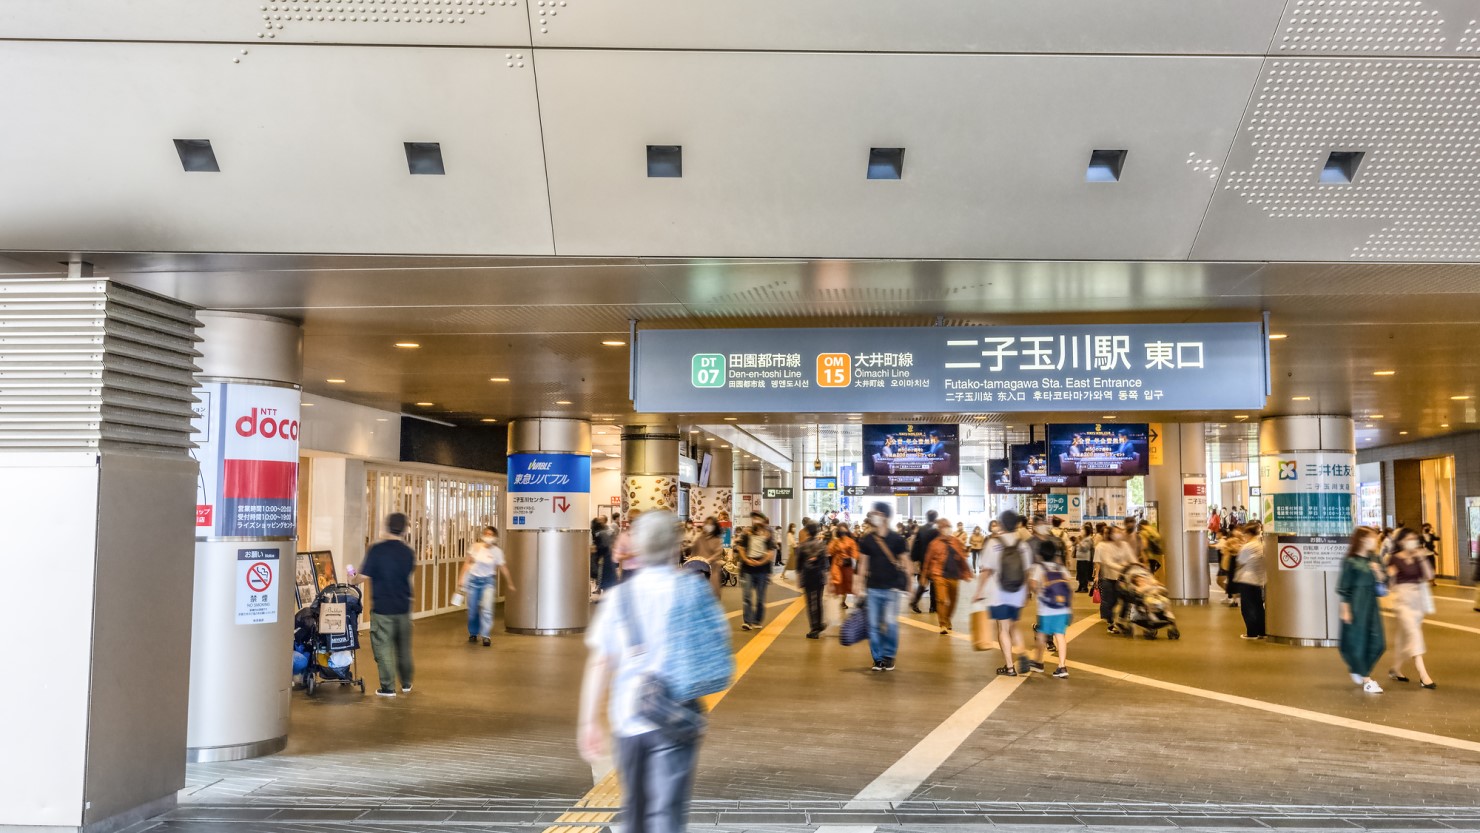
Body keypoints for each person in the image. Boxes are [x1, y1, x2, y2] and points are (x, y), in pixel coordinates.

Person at [578, 510, 731, 833]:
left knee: (636, 806)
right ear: (676, 547)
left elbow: (601, 662)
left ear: (639, 548)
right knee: (667, 814)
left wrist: (589, 721)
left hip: (629, 719)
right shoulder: (693, 589)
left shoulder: (620, 598)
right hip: (679, 714)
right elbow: (719, 639)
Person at [350, 512, 416, 696]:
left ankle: (388, 687)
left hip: (383, 608)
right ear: (404, 530)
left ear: (387, 527)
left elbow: (362, 577)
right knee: (403, 648)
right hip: (403, 607)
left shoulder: (377, 550)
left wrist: (352, 579)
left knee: (384, 647)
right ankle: (407, 684)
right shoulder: (408, 552)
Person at [974, 511, 1033, 676]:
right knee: (1014, 625)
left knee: (1003, 628)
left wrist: (978, 592)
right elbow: (1027, 571)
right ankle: (1022, 652)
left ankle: (1009, 667)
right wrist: (1026, 592)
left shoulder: (994, 544)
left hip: (999, 593)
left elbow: (985, 571)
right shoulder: (1023, 545)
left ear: (1001, 524)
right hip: (1017, 592)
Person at [853, 503, 911, 672]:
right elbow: (862, 563)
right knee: (873, 625)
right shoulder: (867, 539)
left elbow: (906, 562)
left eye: (877, 513)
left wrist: (909, 584)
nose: (874, 516)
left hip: (892, 589)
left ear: (885, 516)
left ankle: (889, 655)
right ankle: (878, 659)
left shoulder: (897, 539)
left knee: (891, 623)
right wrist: (858, 584)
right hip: (873, 589)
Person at [1338, 527, 1387, 694]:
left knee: (1379, 642)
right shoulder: (1350, 561)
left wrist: (1377, 570)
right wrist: (1345, 609)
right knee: (1357, 640)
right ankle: (1366, 678)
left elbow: (1383, 581)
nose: (1375, 540)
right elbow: (1344, 586)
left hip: (1371, 602)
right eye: (1372, 537)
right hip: (1356, 603)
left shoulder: (1375, 558)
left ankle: (1358, 667)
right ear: (1362, 539)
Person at [1387, 528, 1437, 688]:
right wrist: (1389, 575)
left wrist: (1421, 558)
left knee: (1404, 637)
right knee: (1414, 634)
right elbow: (1389, 581)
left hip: (1418, 601)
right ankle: (1423, 675)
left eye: (1414, 539)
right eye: (1409, 538)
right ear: (1401, 541)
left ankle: (1395, 669)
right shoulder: (1394, 558)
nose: (1412, 541)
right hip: (1402, 600)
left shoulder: (1418, 558)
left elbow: (1429, 576)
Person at [457, 526, 516, 646]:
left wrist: (510, 583)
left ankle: (485, 635)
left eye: (491, 534)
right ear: (483, 535)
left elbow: (503, 568)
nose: (488, 536)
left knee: (487, 608)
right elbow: (467, 563)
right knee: (472, 610)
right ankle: (473, 633)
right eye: (486, 534)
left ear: (495, 537)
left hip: (488, 582)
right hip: (473, 581)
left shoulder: (497, 552)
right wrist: (461, 578)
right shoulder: (475, 547)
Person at [1028, 542, 1074, 678]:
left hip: (1046, 609)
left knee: (1041, 635)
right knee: (1060, 636)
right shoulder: (1061, 568)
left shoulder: (1038, 567)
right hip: (1062, 608)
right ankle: (1062, 666)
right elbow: (1068, 588)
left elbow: (1033, 584)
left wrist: (1037, 591)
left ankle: (1038, 662)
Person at [925, 517, 973, 634]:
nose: (947, 530)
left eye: (949, 528)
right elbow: (928, 560)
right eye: (945, 528)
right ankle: (942, 624)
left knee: (953, 600)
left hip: (954, 575)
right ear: (940, 529)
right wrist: (923, 576)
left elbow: (962, 557)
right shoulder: (934, 544)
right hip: (939, 574)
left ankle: (947, 619)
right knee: (941, 600)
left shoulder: (955, 541)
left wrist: (966, 572)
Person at [735, 511, 777, 631]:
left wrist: (761, 562)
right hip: (748, 568)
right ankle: (747, 621)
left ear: (763, 520)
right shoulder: (746, 533)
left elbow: (770, 552)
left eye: (758, 518)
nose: (756, 520)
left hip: (762, 569)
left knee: (760, 597)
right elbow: (741, 548)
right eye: (754, 518)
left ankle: (757, 620)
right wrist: (747, 560)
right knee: (747, 595)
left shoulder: (768, 534)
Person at [1092, 526, 1135, 633]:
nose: (1119, 534)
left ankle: (1121, 620)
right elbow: (1105, 562)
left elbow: (1132, 558)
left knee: (1127, 599)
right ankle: (1111, 624)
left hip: (1123, 579)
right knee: (1110, 602)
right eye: (1116, 532)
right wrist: (1096, 575)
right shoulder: (1103, 546)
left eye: (1120, 532)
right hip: (1108, 578)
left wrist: (1137, 565)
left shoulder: (1125, 545)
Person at [1233, 522, 1267, 640]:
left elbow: (1240, 562)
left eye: (1244, 534)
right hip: (1258, 580)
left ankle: (1251, 632)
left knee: (1247, 607)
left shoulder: (1247, 546)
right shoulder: (1261, 545)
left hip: (1247, 579)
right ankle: (1262, 631)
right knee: (1258, 606)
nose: (1244, 536)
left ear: (1248, 533)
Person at [796, 522, 830, 638]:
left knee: (811, 603)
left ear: (807, 532)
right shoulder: (822, 545)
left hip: (807, 576)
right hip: (819, 576)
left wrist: (799, 579)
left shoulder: (802, 545)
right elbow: (826, 564)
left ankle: (814, 629)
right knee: (819, 601)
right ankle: (819, 624)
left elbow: (798, 565)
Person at [908, 509, 940, 614]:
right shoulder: (937, 531)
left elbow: (916, 546)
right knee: (934, 583)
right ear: (935, 518)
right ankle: (933, 607)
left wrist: (915, 560)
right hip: (935, 560)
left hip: (923, 560)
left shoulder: (920, 529)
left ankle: (914, 602)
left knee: (923, 582)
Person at [691, 516, 725, 597]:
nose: (708, 526)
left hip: (713, 570)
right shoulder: (699, 538)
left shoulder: (717, 539)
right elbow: (693, 552)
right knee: (699, 594)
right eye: (706, 523)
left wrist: (708, 560)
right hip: (699, 570)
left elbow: (718, 553)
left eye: (710, 524)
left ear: (714, 526)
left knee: (713, 594)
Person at [828, 523, 859, 611]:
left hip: (843, 566)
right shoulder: (842, 541)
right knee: (841, 583)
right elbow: (830, 551)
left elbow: (830, 551)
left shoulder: (847, 541)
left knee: (843, 584)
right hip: (841, 566)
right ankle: (841, 600)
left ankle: (841, 601)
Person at [1074, 522, 1096, 593]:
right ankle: (1080, 586)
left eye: (1083, 529)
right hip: (1079, 558)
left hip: (1085, 559)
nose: (1082, 531)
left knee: (1084, 573)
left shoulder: (1089, 539)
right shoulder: (1082, 538)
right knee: (1080, 573)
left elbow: (1085, 548)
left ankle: (1085, 587)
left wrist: (1079, 542)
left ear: (1086, 531)